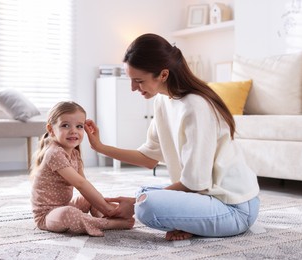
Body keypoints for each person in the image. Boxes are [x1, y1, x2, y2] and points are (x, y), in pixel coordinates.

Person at [84, 33, 260, 241]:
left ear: (163, 75)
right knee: (144, 192)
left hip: (234, 207)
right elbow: (149, 158)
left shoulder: (195, 106)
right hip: (205, 195)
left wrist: (134, 204)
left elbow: (195, 183)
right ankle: (191, 223)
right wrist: (100, 147)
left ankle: (192, 223)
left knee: (145, 206)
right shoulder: (162, 102)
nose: (133, 88)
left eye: (138, 81)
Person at [30, 101, 134, 237]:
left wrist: (103, 206)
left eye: (79, 126)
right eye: (65, 125)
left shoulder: (74, 153)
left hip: (64, 205)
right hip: (48, 215)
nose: (73, 131)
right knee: (69, 213)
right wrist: (107, 208)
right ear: (51, 129)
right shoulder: (54, 153)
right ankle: (108, 224)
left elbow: (84, 185)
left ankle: (103, 217)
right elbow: (80, 184)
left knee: (88, 198)